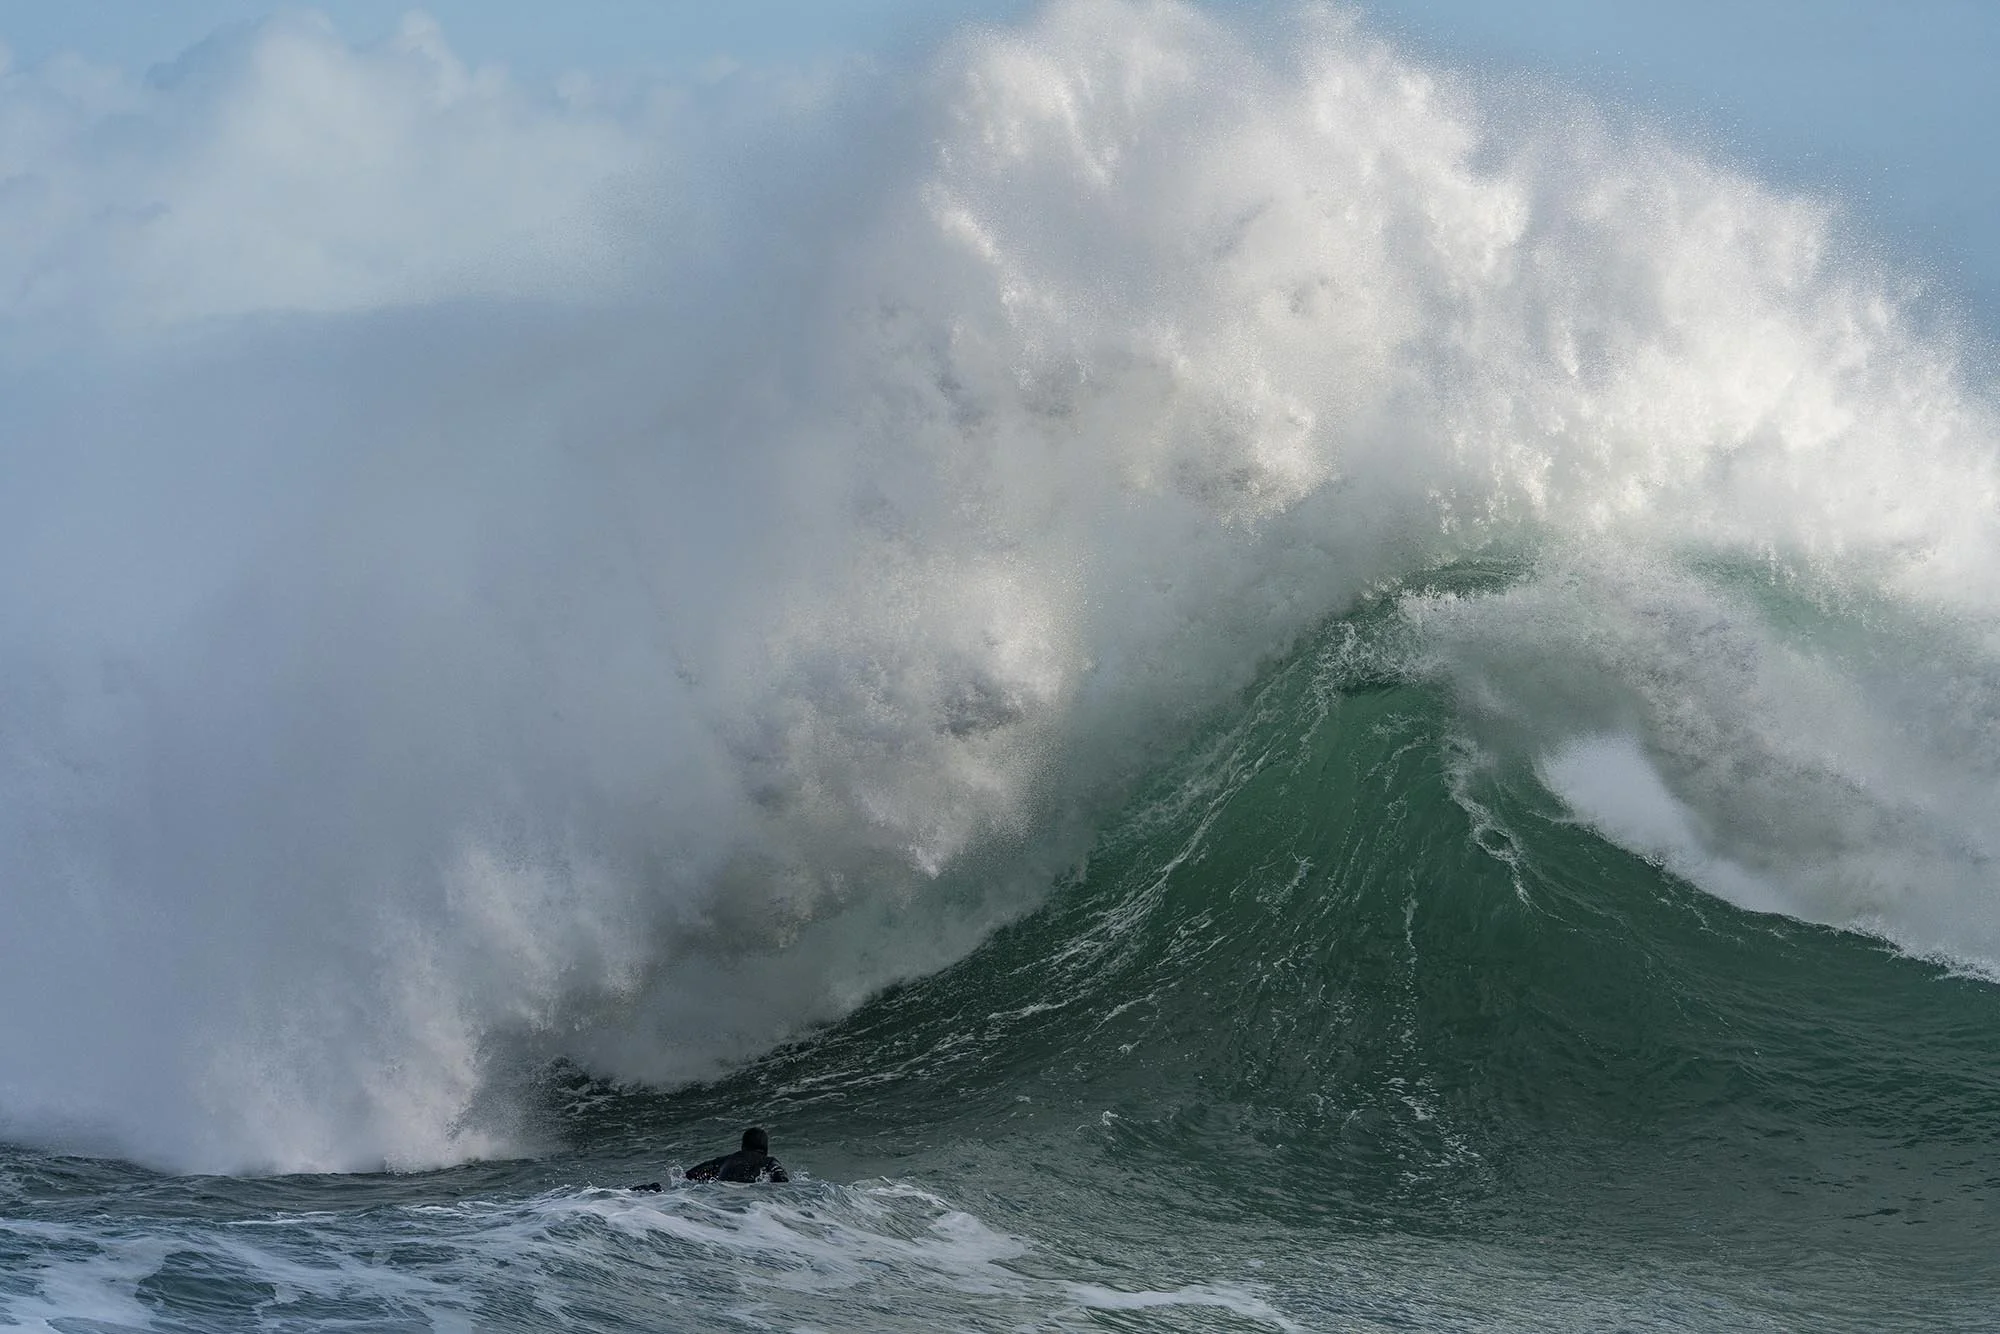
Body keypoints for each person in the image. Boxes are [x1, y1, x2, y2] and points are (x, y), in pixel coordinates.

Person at [683, 1126, 790, 1184]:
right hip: (752, 1199)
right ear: (765, 1148)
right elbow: (781, 1178)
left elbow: (691, 1174)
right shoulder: (769, 1161)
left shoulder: (725, 1160)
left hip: (723, 1195)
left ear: (743, 1145)